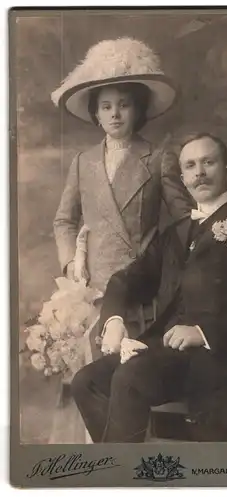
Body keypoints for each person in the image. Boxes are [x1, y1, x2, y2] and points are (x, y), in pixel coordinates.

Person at [71, 132, 227, 443]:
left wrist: (203, 332)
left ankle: (116, 480)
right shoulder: (174, 233)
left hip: (219, 358)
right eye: (190, 166)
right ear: (182, 178)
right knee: (86, 381)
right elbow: (126, 279)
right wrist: (114, 320)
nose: (199, 173)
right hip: (164, 353)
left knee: (131, 377)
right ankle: (123, 472)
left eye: (208, 162)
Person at [51, 37, 193, 352]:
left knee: (129, 366)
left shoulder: (157, 157)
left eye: (124, 105)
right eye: (106, 106)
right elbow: (64, 220)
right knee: (90, 366)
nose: (115, 114)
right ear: (96, 114)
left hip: (139, 284)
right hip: (91, 285)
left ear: (138, 109)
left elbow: (184, 220)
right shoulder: (82, 161)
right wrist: (71, 263)